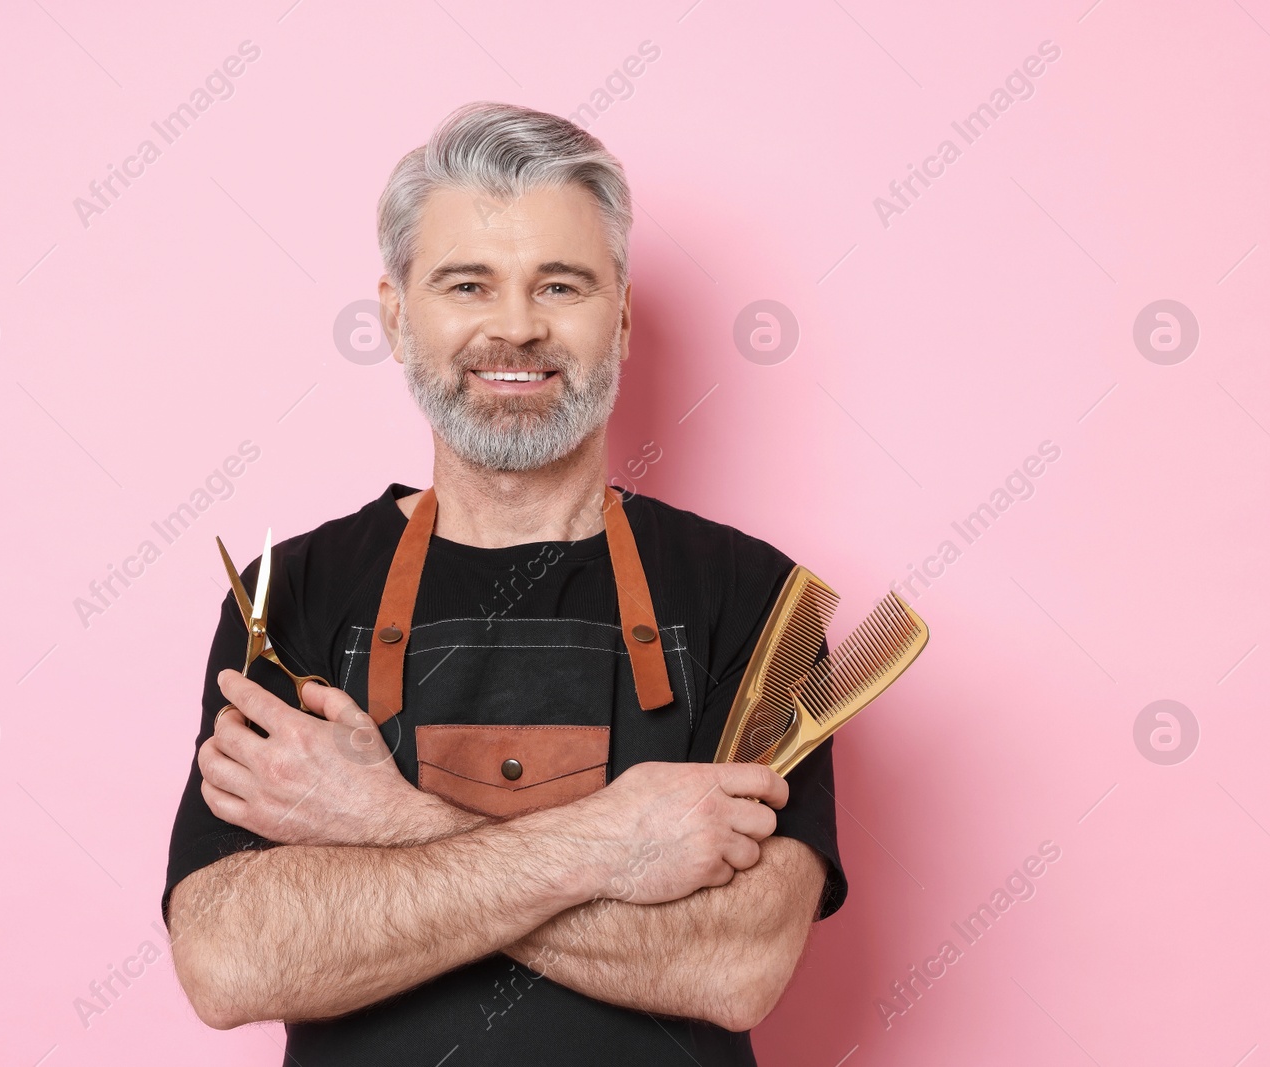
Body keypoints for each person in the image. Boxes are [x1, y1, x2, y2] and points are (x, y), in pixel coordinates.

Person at [162, 100, 847, 1065]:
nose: (516, 328)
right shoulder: (287, 599)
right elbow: (231, 959)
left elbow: (734, 965)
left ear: (620, 313)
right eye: (467, 284)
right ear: (398, 316)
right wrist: (614, 842)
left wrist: (384, 822)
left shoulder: (753, 597)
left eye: (560, 284)